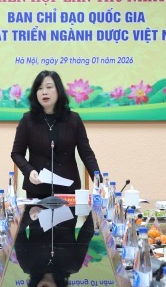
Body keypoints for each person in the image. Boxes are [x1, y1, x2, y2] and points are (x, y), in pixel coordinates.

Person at [11, 70, 101, 198]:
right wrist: (29, 171)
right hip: (37, 189)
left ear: (58, 90)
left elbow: (86, 154)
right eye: (39, 88)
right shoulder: (27, 120)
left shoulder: (73, 119)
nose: (44, 92)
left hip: (68, 190)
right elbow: (16, 153)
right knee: (34, 212)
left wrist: (99, 182)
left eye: (49, 87)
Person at [15, 205, 94, 287]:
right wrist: (92, 212)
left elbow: (16, 233)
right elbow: (85, 234)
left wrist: (29, 217)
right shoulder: (72, 266)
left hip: (38, 202)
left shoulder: (27, 265)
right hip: (68, 202)